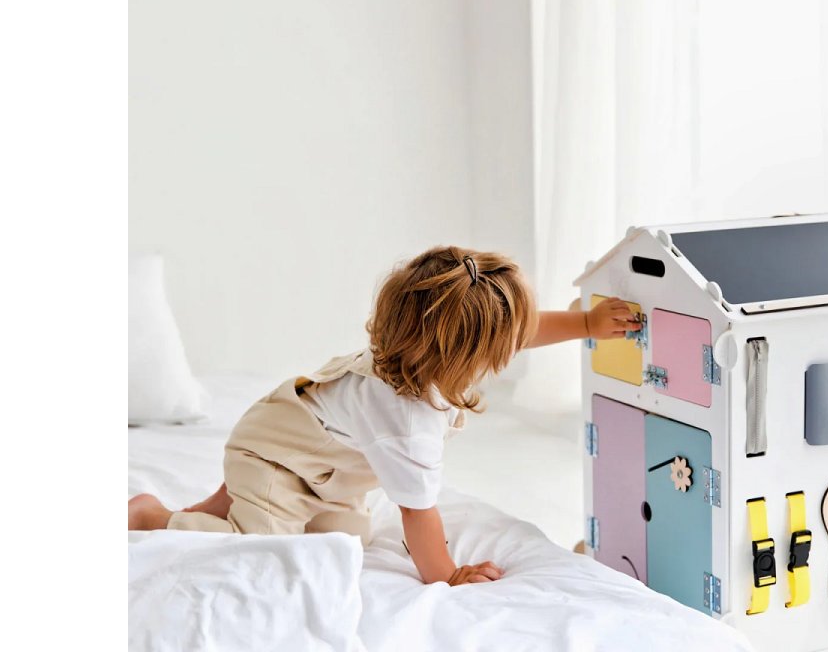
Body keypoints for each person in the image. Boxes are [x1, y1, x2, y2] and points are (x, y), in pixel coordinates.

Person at [128, 245, 640, 586]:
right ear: (469, 353)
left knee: (348, 542)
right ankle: (153, 516)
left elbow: (517, 328)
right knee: (262, 551)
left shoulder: (416, 349)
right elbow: (418, 512)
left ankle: (227, 503)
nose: (517, 343)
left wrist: (587, 323)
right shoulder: (408, 422)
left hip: (317, 466)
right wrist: (446, 575)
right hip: (276, 459)